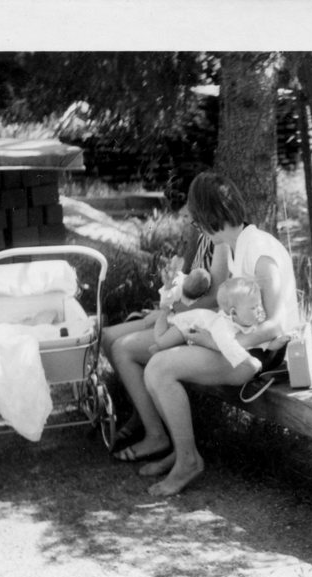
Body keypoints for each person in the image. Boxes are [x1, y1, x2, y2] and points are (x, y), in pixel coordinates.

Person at [102, 171, 299, 496]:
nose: (196, 227)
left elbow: (276, 325)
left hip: (259, 353)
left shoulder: (260, 251)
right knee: (154, 358)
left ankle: (188, 461)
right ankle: (177, 450)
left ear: (208, 217)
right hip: (235, 340)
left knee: (159, 367)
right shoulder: (233, 244)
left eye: (196, 220)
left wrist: (223, 342)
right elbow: (222, 302)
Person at [149, 276, 281, 377]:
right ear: (234, 313)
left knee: (176, 344)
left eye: (259, 304)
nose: (259, 310)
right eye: (254, 307)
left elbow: (254, 342)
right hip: (189, 323)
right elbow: (227, 346)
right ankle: (164, 312)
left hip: (197, 332)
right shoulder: (223, 326)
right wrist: (248, 360)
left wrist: (275, 343)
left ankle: (160, 348)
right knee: (162, 341)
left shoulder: (244, 321)